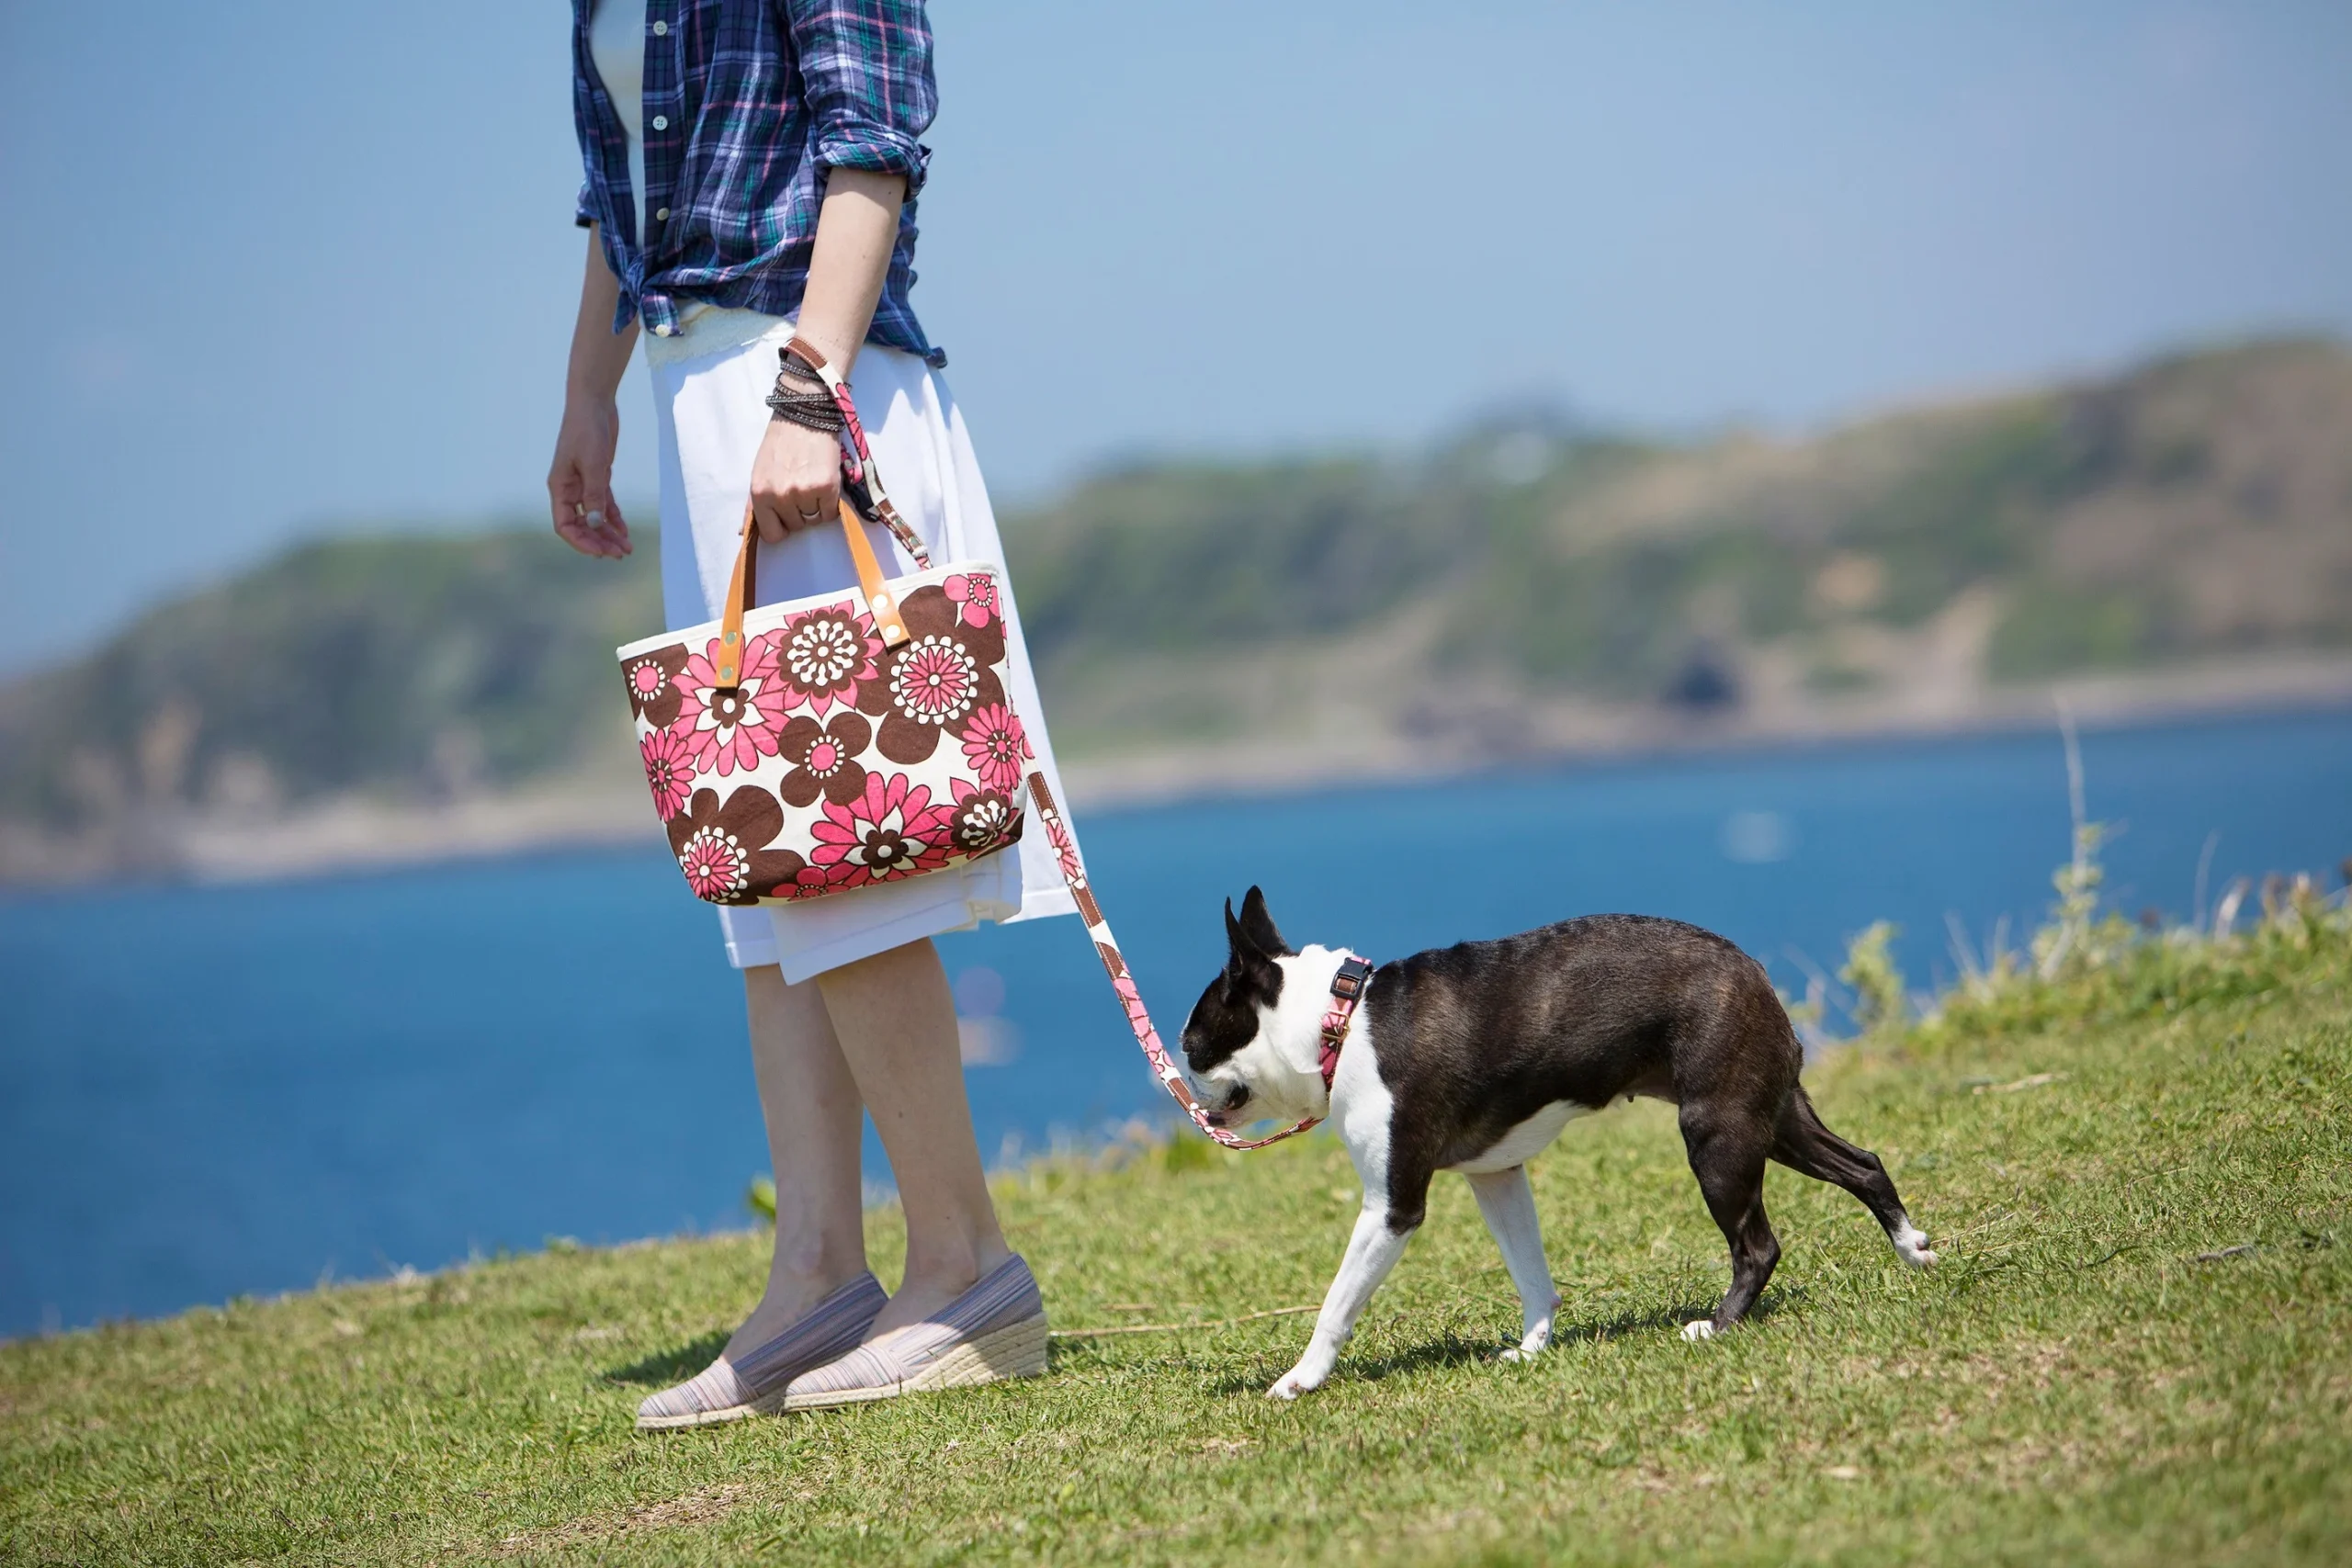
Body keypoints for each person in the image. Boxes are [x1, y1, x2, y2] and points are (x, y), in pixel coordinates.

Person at [547, 0, 1074, 1427]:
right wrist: (591, 392)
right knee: (766, 859)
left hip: (803, 374)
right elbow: (622, 190)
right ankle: (820, 1269)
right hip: (692, 387)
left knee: (842, 848)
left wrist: (808, 382)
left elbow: (875, 135)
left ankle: (964, 1263)